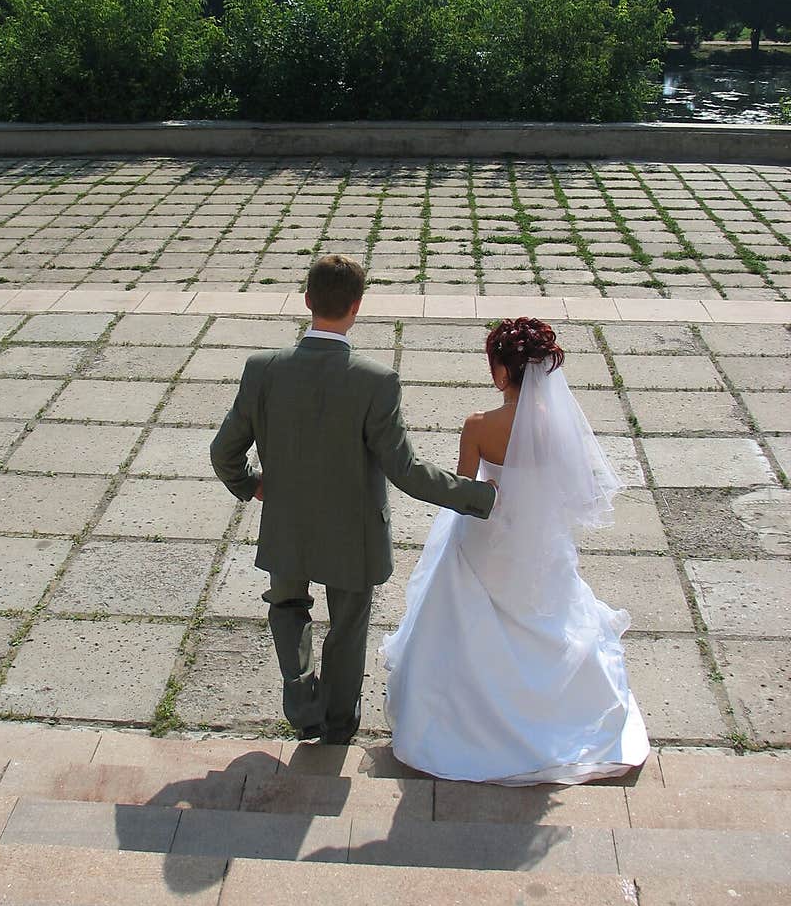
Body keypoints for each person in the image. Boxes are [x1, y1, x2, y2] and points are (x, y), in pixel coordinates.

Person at [209, 254, 496, 745]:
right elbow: (403, 470)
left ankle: (300, 698)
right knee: (348, 625)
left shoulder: (262, 370)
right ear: (357, 307)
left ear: (306, 301)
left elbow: (223, 452)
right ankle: (339, 723)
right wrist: (476, 495)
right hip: (354, 532)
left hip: (288, 523)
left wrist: (252, 485)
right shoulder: (375, 380)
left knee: (287, 606)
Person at [380, 316, 650, 784]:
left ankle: (467, 712)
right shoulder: (559, 425)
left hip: (488, 538)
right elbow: (569, 490)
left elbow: (465, 492)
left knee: (454, 579)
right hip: (538, 540)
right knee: (555, 609)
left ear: (501, 372)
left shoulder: (480, 425)